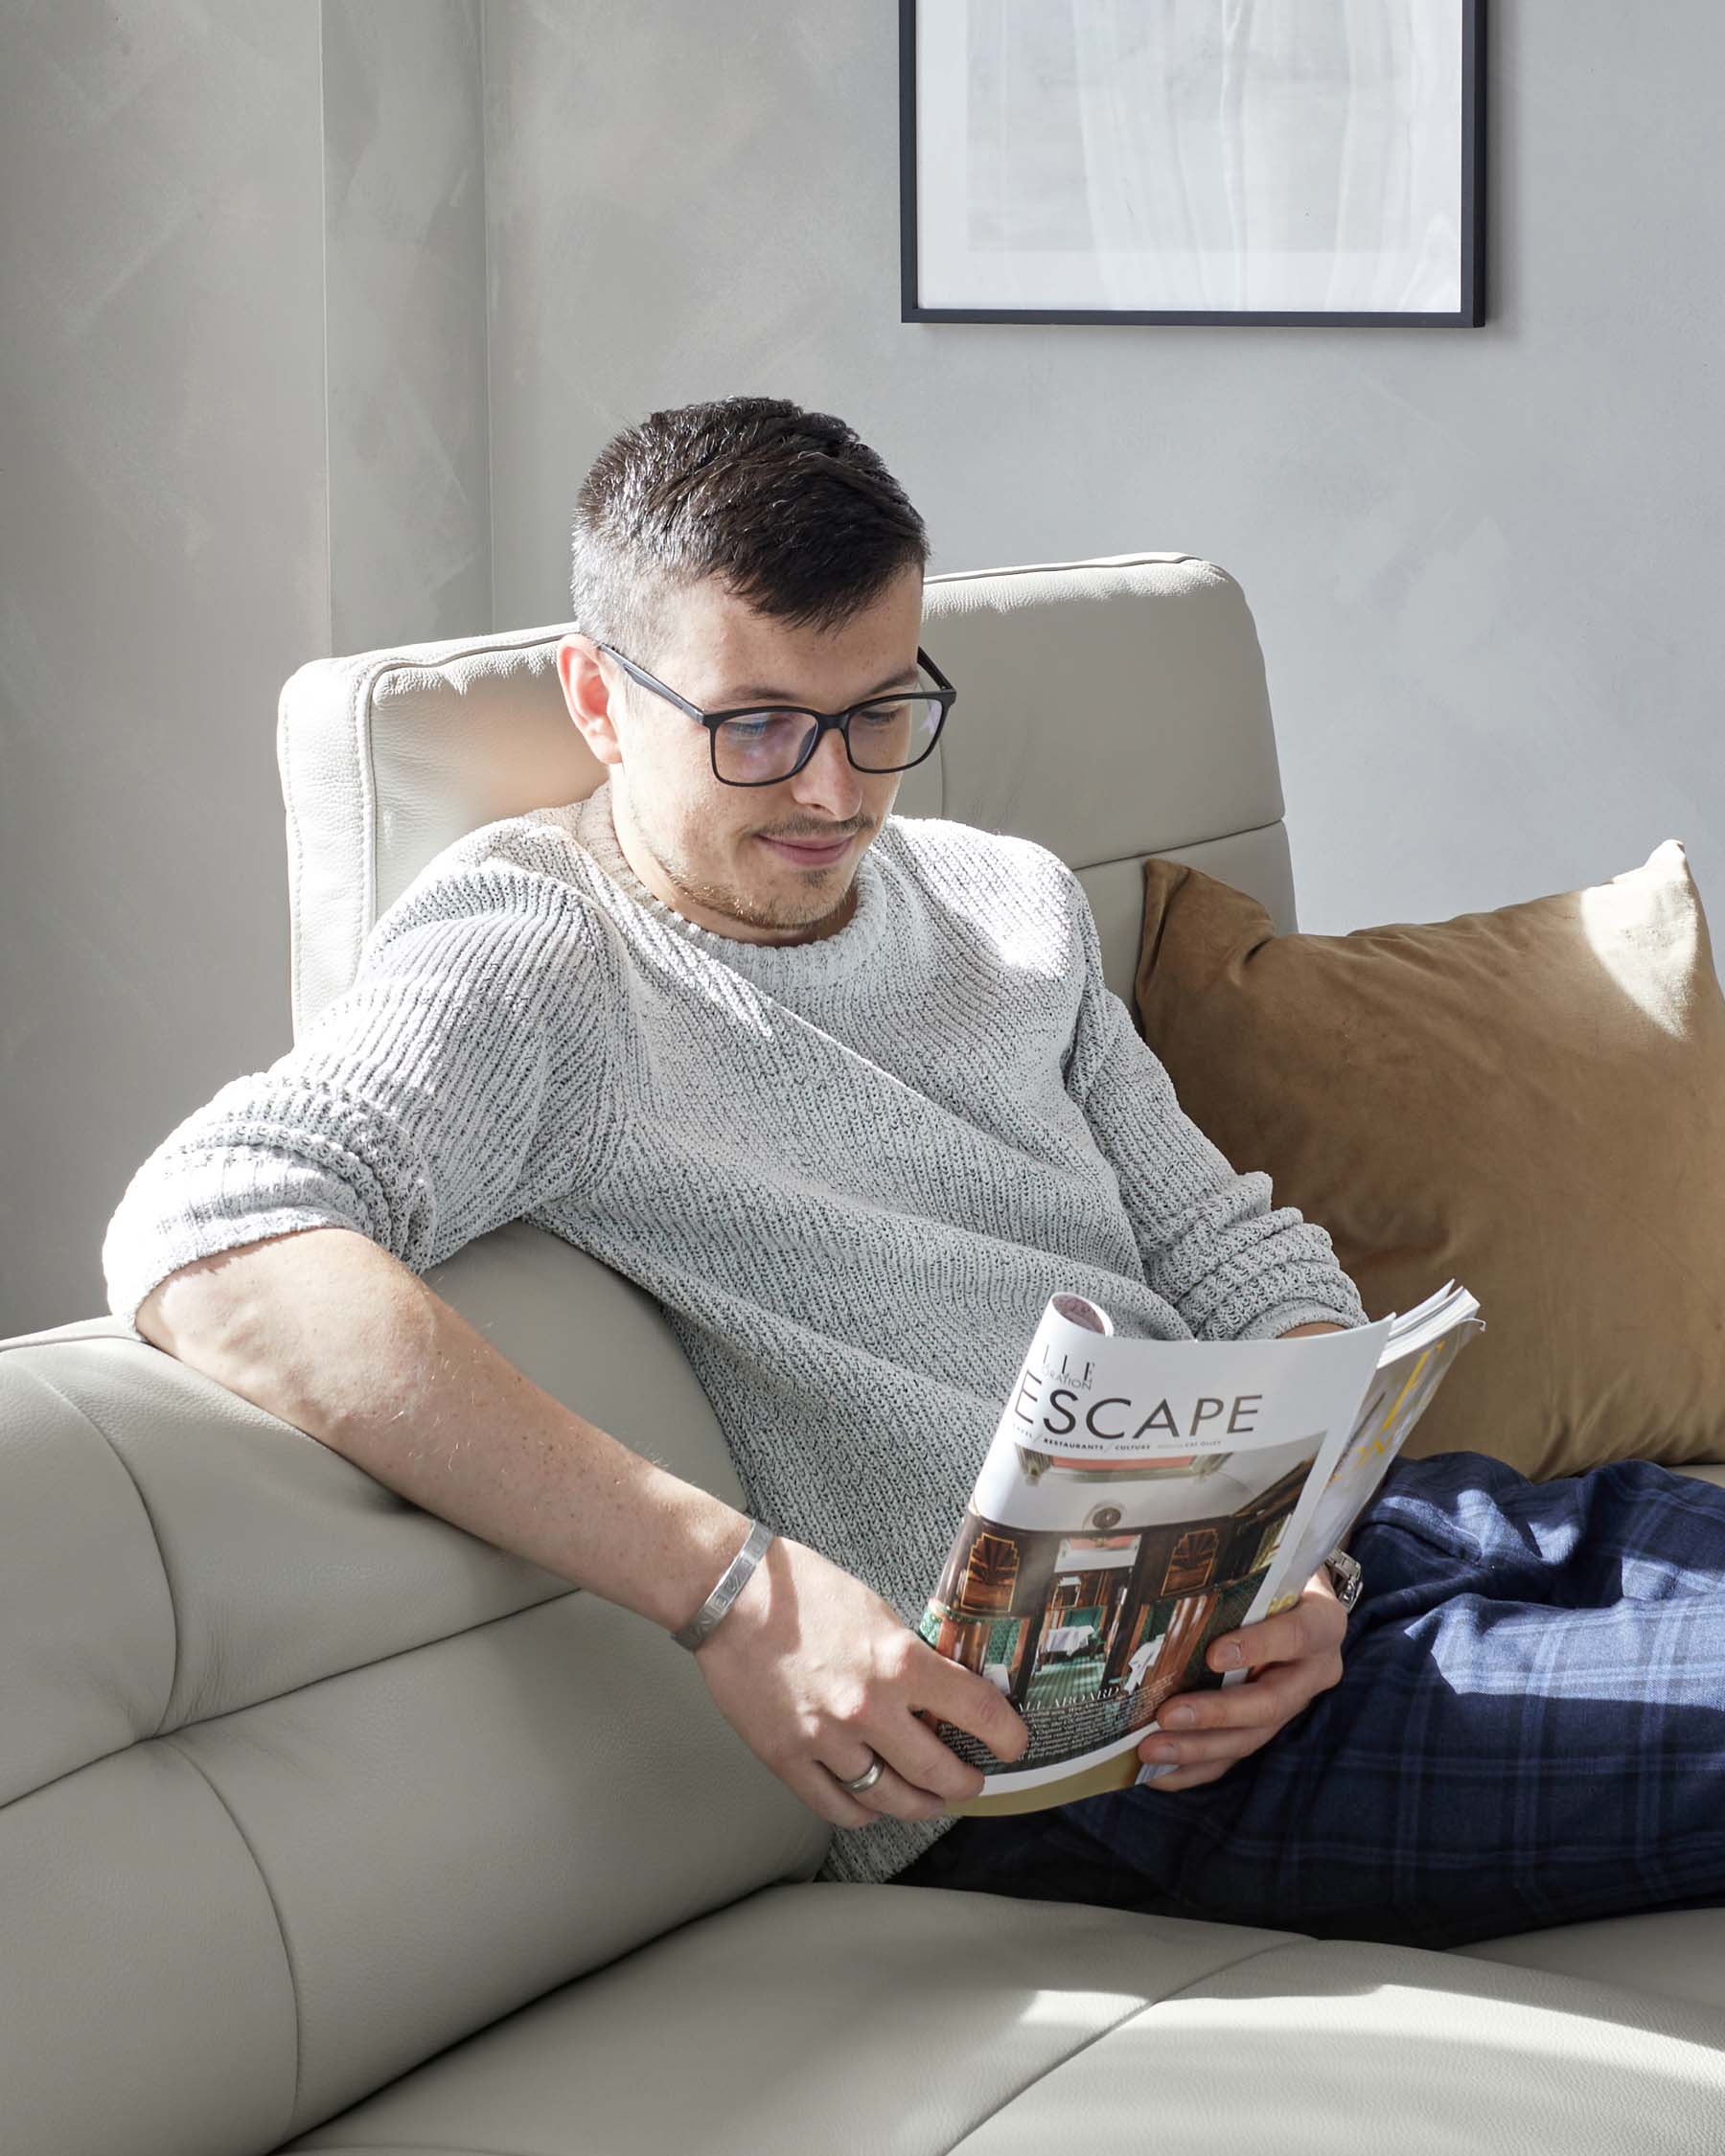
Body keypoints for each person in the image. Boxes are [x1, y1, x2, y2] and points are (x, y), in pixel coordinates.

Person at [104, 395, 1725, 1952]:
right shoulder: (539, 957)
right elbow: (218, 1221)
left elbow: (1240, 1257)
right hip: (1088, 1764)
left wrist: (1314, 1560)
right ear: (598, 699)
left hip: (1365, 1569)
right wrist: (732, 1587)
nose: (834, 791)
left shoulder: (1002, 900)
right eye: (755, 728)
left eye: (879, 711)